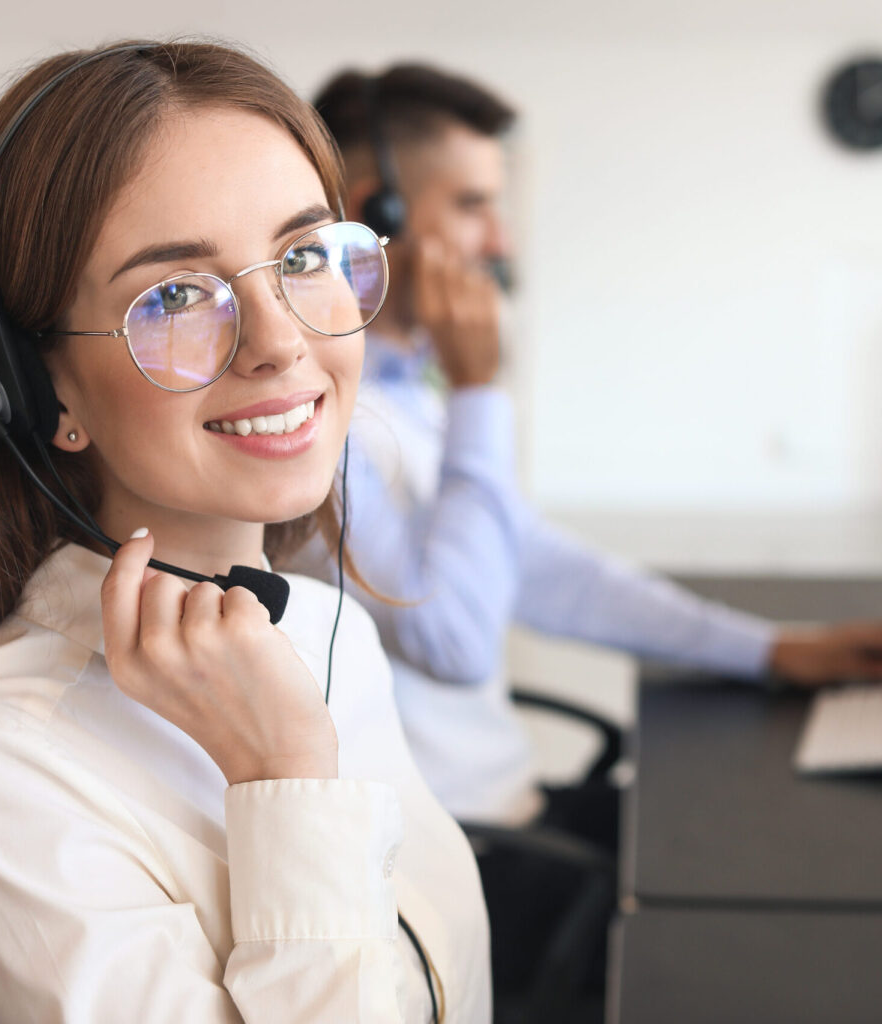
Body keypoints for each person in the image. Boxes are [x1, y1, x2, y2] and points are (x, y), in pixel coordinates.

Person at [0, 43, 491, 1024]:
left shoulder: (330, 629)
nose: (281, 341)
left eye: (304, 258)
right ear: (44, 390)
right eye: (176, 295)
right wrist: (284, 777)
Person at [288, 62, 882, 1006]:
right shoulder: (321, 423)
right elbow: (455, 636)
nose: (502, 238)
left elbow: (532, 562)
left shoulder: (406, 388)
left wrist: (773, 650)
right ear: (380, 209)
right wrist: (484, 389)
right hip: (452, 861)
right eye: (476, 204)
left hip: (503, 816)